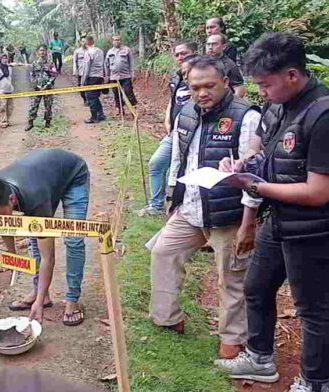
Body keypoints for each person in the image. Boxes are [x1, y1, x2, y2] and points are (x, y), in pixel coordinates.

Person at [214, 33, 329, 392]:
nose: (261, 92)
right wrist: (244, 162)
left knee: (313, 309)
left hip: (313, 229)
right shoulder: (279, 104)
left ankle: (315, 382)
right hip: (277, 220)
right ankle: (260, 357)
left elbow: (318, 192)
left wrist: (254, 187)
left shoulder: (323, 115)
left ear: (292, 75)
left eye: (265, 84)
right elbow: (262, 144)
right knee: (256, 287)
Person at [149, 56, 261, 360]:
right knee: (163, 251)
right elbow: (178, 159)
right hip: (191, 208)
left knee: (231, 277)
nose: (202, 93)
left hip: (230, 215)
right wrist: (175, 199)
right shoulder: (186, 112)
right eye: (195, 87)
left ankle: (232, 340)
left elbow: (253, 172)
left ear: (225, 83)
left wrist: (248, 221)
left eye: (209, 86)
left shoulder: (246, 116)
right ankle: (167, 318)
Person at [0, 148, 90, 326]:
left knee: (73, 239)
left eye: (4, 215)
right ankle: (41, 294)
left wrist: (36, 306)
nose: (3, 220)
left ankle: (72, 299)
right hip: (44, 178)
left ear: (12, 199)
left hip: (73, 175)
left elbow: (48, 257)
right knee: (33, 240)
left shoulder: (35, 199)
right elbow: (5, 226)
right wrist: (12, 258)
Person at [136, 41, 197, 216]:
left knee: (179, 170)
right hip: (173, 133)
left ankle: (179, 208)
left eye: (183, 53)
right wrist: (167, 118)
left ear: (194, 53)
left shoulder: (203, 78)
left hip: (192, 136)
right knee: (156, 163)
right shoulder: (177, 76)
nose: (180, 57)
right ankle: (156, 205)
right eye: (177, 54)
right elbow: (173, 100)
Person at [25, 45, 57, 131]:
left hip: (48, 88)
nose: (42, 52)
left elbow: (54, 75)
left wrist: (47, 85)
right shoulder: (34, 63)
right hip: (37, 89)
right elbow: (31, 76)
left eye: (43, 50)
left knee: (48, 106)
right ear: (37, 52)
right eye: (40, 50)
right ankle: (30, 122)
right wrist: (36, 85)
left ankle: (47, 122)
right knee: (33, 105)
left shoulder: (50, 63)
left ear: (46, 51)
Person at [105, 34, 138, 115]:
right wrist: (107, 76)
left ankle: (132, 109)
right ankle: (120, 109)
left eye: (118, 40)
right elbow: (106, 65)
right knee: (116, 93)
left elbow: (131, 63)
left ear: (121, 40)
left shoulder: (127, 50)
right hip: (114, 77)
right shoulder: (109, 52)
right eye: (115, 40)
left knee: (128, 92)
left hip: (126, 76)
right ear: (112, 42)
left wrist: (132, 74)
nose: (117, 41)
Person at [207, 33, 246, 98]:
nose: (210, 47)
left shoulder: (229, 65)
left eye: (214, 44)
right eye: (208, 44)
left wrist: (229, 105)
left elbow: (240, 89)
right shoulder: (202, 62)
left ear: (223, 47)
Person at [81, 36, 107, 123]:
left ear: (86, 43)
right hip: (99, 76)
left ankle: (94, 117)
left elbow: (86, 67)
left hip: (91, 77)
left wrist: (83, 80)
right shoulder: (100, 51)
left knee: (91, 98)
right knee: (95, 97)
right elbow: (104, 64)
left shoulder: (88, 52)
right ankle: (101, 114)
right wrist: (104, 76)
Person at [0, 54, 14, 128]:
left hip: (9, 90)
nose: (5, 60)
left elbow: (10, 78)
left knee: (10, 106)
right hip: (2, 90)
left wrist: (11, 87)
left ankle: (7, 120)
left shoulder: (9, 68)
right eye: (3, 58)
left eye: (6, 58)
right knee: (3, 106)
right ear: (0, 59)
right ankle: (3, 121)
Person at [72, 37, 89, 106]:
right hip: (81, 72)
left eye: (85, 41)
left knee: (89, 87)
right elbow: (74, 62)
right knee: (81, 87)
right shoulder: (77, 51)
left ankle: (89, 100)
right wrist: (75, 71)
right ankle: (84, 99)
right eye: (83, 41)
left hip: (89, 73)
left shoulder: (90, 50)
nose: (84, 43)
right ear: (80, 42)